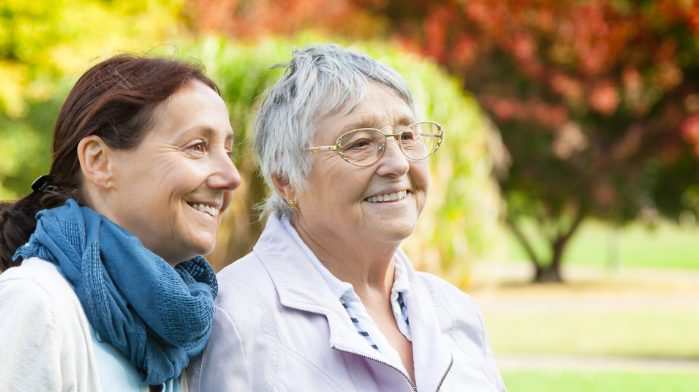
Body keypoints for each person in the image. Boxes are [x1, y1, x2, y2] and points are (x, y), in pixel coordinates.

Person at [188, 44, 506, 391]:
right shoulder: (236, 316)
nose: (399, 163)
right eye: (359, 144)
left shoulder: (455, 309)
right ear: (285, 178)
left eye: (407, 136)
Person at [0, 54, 242, 392]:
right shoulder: (32, 309)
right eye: (197, 146)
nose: (232, 177)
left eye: (228, 151)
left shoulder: (176, 339)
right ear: (99, 162)